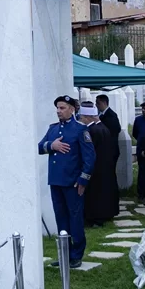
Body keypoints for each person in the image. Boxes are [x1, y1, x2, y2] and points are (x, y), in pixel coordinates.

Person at [37, 96, 95, 269]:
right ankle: (64, 254)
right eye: (57, 108)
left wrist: (83, 180)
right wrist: (51, 145)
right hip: (56, 181)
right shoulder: (53, 129)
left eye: (62, 108)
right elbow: (40, 147)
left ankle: (76, 255)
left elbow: (89, 157)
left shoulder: (80, 129)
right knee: (61, 218)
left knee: (75, 219)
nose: (58, 111)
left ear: (71, 109)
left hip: (72, 183)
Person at [79, 100, 119, 227]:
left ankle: (95, 218)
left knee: (95, 195)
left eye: (81, 118)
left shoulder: (91, 131)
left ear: (86, 117)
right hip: (105, 166)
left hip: (96, 167)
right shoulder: (102, 128)